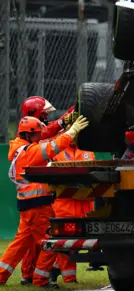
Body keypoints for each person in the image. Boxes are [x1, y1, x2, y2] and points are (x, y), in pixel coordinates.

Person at [0, 115, 89, 289]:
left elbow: (47, 140)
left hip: (28, 206)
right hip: (38, 205)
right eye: (37, 133)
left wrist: (63, 122)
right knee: (52, 241)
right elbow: (51, 147)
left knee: (19, 245)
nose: (40, 136)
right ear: (28, 134)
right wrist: (71, 132)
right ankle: (40, 280)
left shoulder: (20, 147)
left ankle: (1, 276)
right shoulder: (29, 151)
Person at [15, 97, 77, 285]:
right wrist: (67, 120)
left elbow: (50, 130)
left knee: (30, 242)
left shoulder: (30, 137)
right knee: (46, 240)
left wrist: (70, 115)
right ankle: (36, 277)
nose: (47, 116)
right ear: (35, 115)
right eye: (44, 113)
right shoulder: (31, 140)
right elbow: (50, 135)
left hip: (35, 199)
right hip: (37, 199)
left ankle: (28, 275)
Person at [48, 131, 96, 285]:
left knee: (76, 246)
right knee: (65, 244)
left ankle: (54, 269)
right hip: (65, 207)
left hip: (85, 207)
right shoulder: (57, 152)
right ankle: (69, 278)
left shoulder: (88, 152)